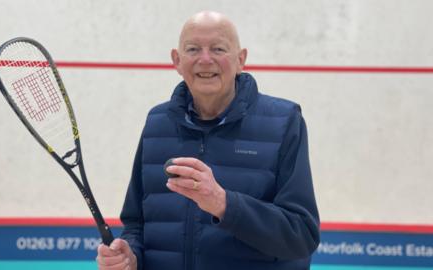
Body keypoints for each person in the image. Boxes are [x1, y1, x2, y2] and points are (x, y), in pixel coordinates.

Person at [97, 10, 320, 270]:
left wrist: (223, 204)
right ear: (177, 61)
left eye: (218, 49)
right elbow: (136, 224)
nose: (205, 59)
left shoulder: (284, 121)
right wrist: (130, 257)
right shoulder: (157, 122)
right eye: (193, 49)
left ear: (241, 60)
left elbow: (302, 235)